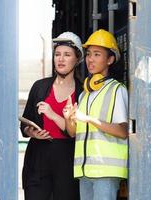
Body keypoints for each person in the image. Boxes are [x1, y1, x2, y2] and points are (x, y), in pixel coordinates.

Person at [63, 29, 128, 200]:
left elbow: (123, 131)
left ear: (110, 59)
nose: (90, 59)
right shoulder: (85, 94)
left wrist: (89, 119)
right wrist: (69, 119)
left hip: (105, 171)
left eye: (97, 54)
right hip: (85, 170)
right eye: (89, 54)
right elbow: (73, 133)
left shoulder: (117, 90)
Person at [20, 31, 83, 200]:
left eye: (67, 55)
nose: (60, 59)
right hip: (38, 157)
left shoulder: (83, 92)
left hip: (67, 159)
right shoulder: (39, 87)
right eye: (57, 54)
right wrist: (31, 132)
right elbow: (25, 124)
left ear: (77, 59)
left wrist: (53, 114)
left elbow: (78, 132)